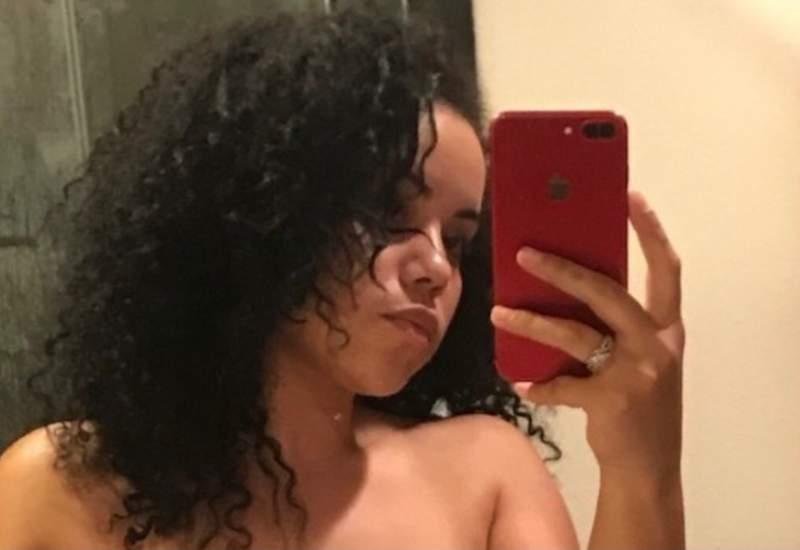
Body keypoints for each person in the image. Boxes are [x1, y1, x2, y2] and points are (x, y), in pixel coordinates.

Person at [0, 5, 686, 550]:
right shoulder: (60, 489)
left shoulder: (484, 473)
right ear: (266, 210)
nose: (436, 268)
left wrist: (641, 467)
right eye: (386, 214)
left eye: (458, 240)